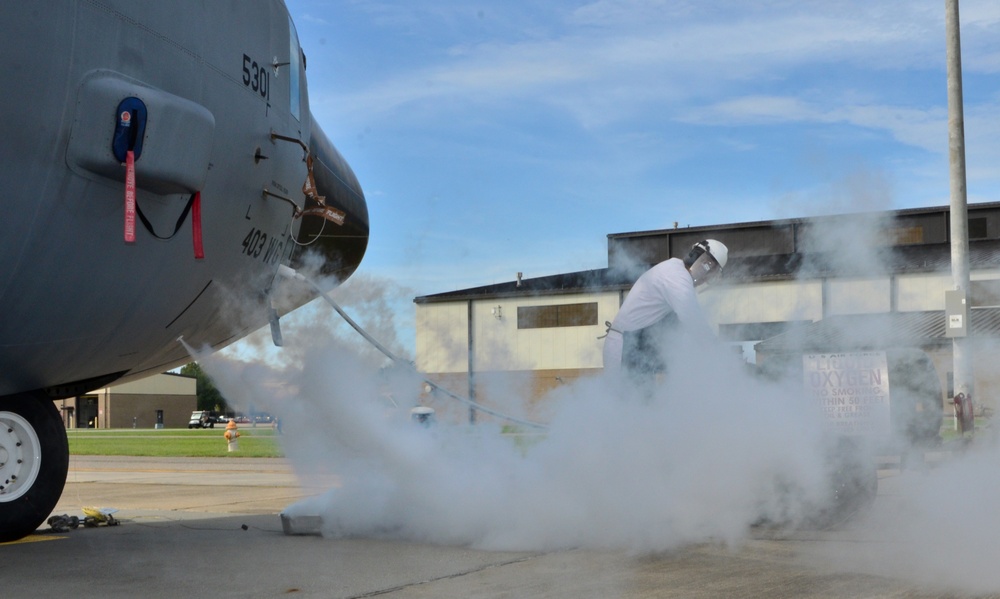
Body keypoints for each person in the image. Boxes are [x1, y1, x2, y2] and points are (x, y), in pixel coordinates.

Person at [602, 239, 728, 377]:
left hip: (636, 347)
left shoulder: (673, 269)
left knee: (643, 397)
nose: (705, 280)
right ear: (705, 265)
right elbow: (692, 320)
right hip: (626, 347)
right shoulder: (677, 277)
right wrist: (719, 353)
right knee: (628, 397)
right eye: (709, 274)